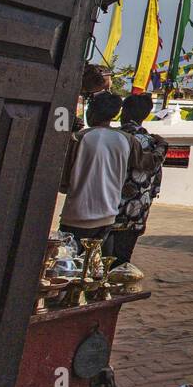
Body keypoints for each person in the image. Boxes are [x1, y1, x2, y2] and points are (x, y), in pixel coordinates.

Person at [59, 91, 130, 244]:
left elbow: (63, 183)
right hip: (108, 216)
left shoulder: (80, 138)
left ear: (92, 112)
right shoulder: (126, 140)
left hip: (77, 215)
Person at [109, 93, 169, 267]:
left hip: (104, 209)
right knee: (121, 262)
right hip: (135, 212)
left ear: (123, 111)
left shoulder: (111, 137)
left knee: (95, 260)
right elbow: (155, 182)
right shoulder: (155, 145)